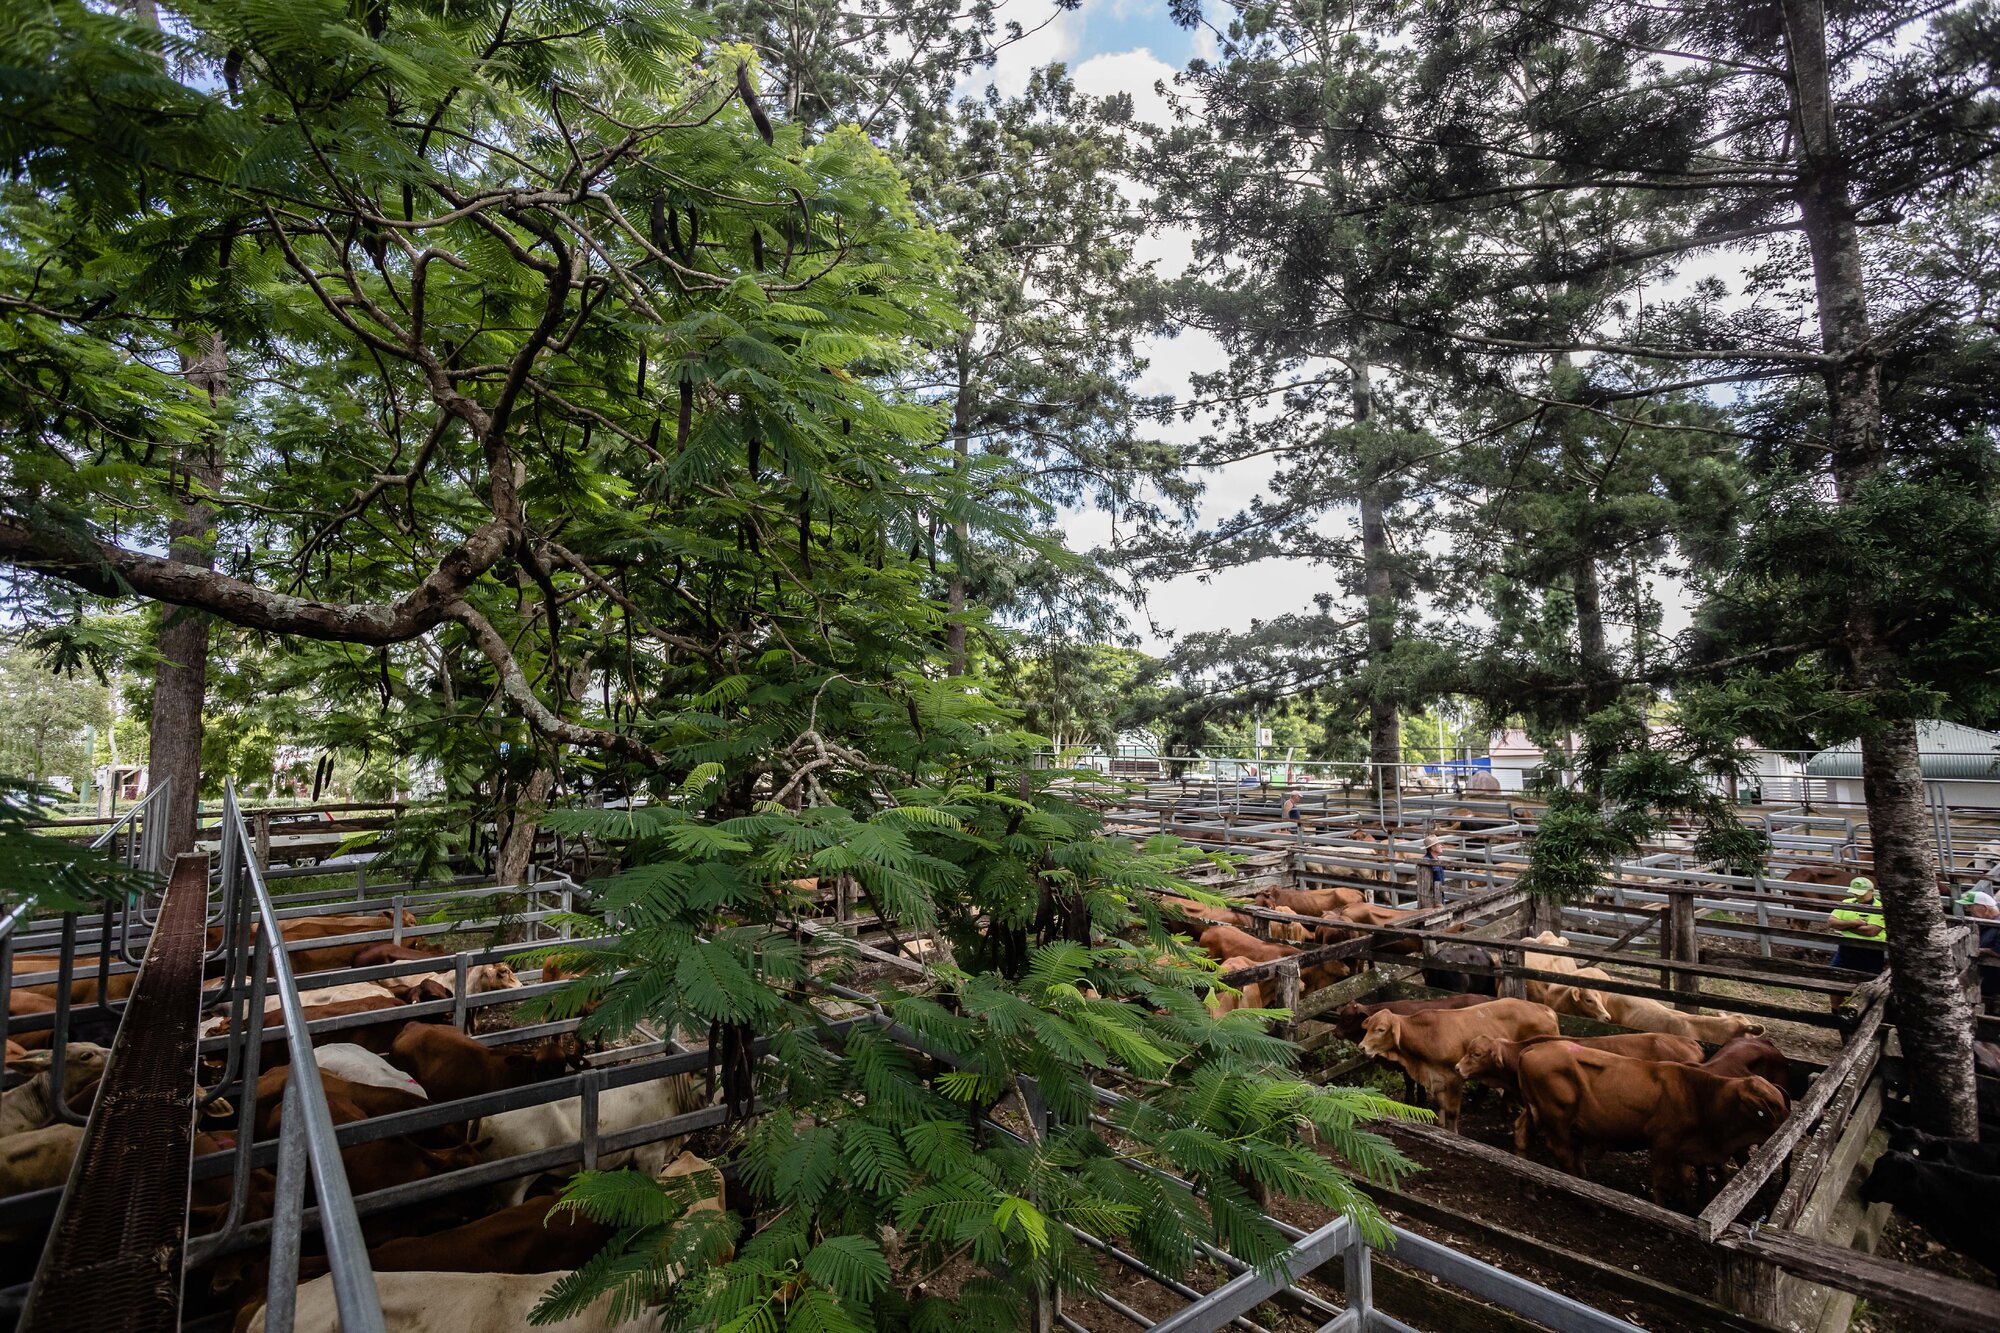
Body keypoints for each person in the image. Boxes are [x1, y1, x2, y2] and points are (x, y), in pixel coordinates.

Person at [1829, 876, 1886, 975]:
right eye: (1855, 892)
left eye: (1861, 893)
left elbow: (1870, 931)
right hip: (1846, 947)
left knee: (1870, 977)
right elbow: (1831, 922)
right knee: (1834, 974)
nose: (1857, 895)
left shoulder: (1880, 907)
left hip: (1871, 950)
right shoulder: (1847, 902)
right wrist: (1854, 923)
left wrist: (1844, 926)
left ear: (1871, 891)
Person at [1961, 887, 2000, 1014]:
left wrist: (1983, 951)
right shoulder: (1986, 923)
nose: (1968, 911)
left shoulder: (1996, 924)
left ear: (1983, 907)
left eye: (1970, 907)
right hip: (1987, 982)